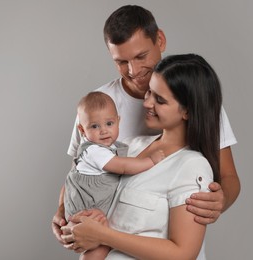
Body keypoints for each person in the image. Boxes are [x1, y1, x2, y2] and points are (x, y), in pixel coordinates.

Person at [52, 4, 240, 245]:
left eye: (141, 56)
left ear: (160, 40)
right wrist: (63, 211)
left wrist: (220, 200)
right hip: (109, 240)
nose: (133, 70)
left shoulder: (195, 101)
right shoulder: (95, 107)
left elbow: (228, 176)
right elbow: (79, 172)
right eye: (121, 62)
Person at [62, 53, 223, 259]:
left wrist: (103, 235)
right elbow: (83, 179)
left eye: (160, 100)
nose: (147, 103)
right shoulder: (130, 147)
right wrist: (79, 220)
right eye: (149, 93)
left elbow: (183, 254)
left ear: (187, 111)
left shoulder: (192, 166)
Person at [64, 91, 164, 259]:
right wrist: (150, 161)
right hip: (86, 207)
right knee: (99, 245)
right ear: (82, 129)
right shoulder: (94, 151)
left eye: (109, 123)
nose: (103, 131)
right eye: (94, 126)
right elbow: (123, 166)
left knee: (103, 244)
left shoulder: (113, 147)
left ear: (118, 121)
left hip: (94, 204)